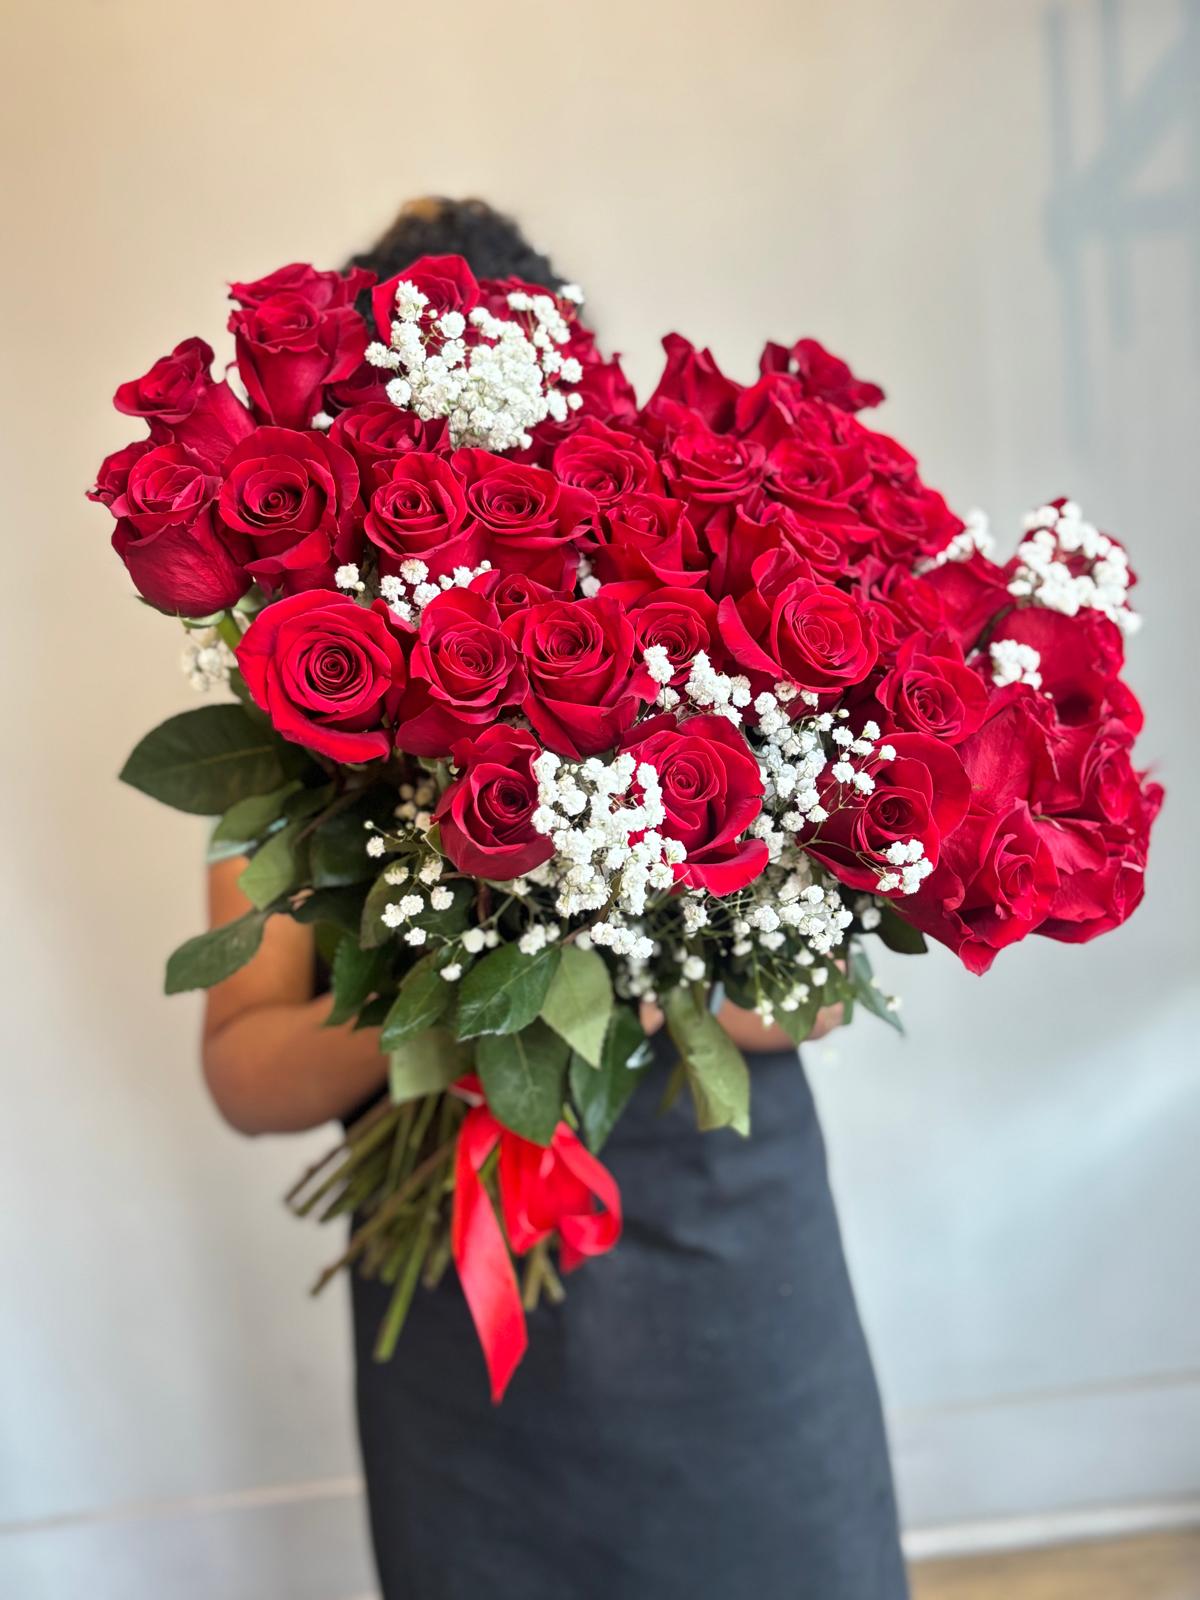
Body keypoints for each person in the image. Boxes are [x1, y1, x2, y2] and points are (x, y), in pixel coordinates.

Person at [202, 197, 910, 1600]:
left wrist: (628, 967)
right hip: (473, 1343)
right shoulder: (306, 683)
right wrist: (475, 1009)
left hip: (733, 1280)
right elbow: (244, 1067)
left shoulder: (697, 611)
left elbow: (821, 987)